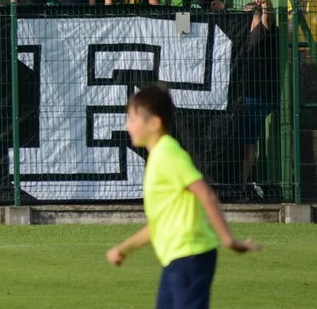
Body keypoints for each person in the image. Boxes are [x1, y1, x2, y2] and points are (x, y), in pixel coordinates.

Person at [107, 84, 259, 306]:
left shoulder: (168, 154)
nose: (126, 125)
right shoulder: (159, 157)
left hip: (191, 256)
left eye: (131, 118)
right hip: (177, 260)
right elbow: (159, 225)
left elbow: (205, 193)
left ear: (154, 123)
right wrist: (124, 249)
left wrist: (228, 239)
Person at [236, 0, 278, 201]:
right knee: (241, 140)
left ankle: (243, 183)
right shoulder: (241, 35)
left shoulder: (263, 30)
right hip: (241, 96)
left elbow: (269, 15)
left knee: (248, 141)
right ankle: (239, 181)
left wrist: (266, 1)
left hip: (257, 96)